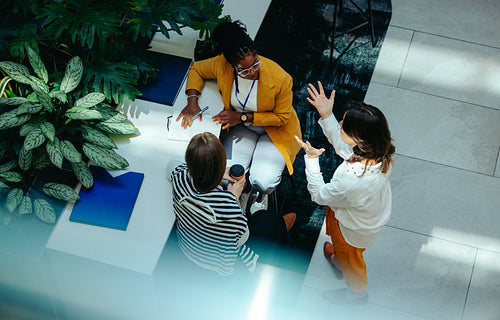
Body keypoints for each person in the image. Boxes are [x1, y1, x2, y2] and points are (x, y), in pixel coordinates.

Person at [176, 19, 302, 214]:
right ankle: (237, 197)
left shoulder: (280, 78)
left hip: (274, 130)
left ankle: (260, 197)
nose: (252, 72)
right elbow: (197, 69)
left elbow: (281, 117)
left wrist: (240, 118)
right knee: (226, 171)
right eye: (243, 70)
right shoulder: (221, 65)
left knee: (263, 180)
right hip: (243, 129)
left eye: (255, 64)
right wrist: (192, 101)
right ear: (231, 64)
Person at [295, 81, 395, 303]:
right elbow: (344, 149)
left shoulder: (353, 182)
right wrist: (327, 115)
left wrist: (312, 160)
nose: (340, 122)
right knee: (342, 250)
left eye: (344, 124)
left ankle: (356, 293)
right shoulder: (379, 151)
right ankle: (339, 258)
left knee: (352, 263)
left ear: (360, 138)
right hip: (351, 214)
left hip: (351, 230)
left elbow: (319, 194)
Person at [167, 132, 296, 276]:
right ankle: (281, 238)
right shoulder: (229, 206)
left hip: (189, 251)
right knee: (269, 220)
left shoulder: (179, 177)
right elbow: (242, 238)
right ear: (223, 166)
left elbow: (173, 162)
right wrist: (234, 197)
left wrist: (211, 173)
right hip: (223, 269)